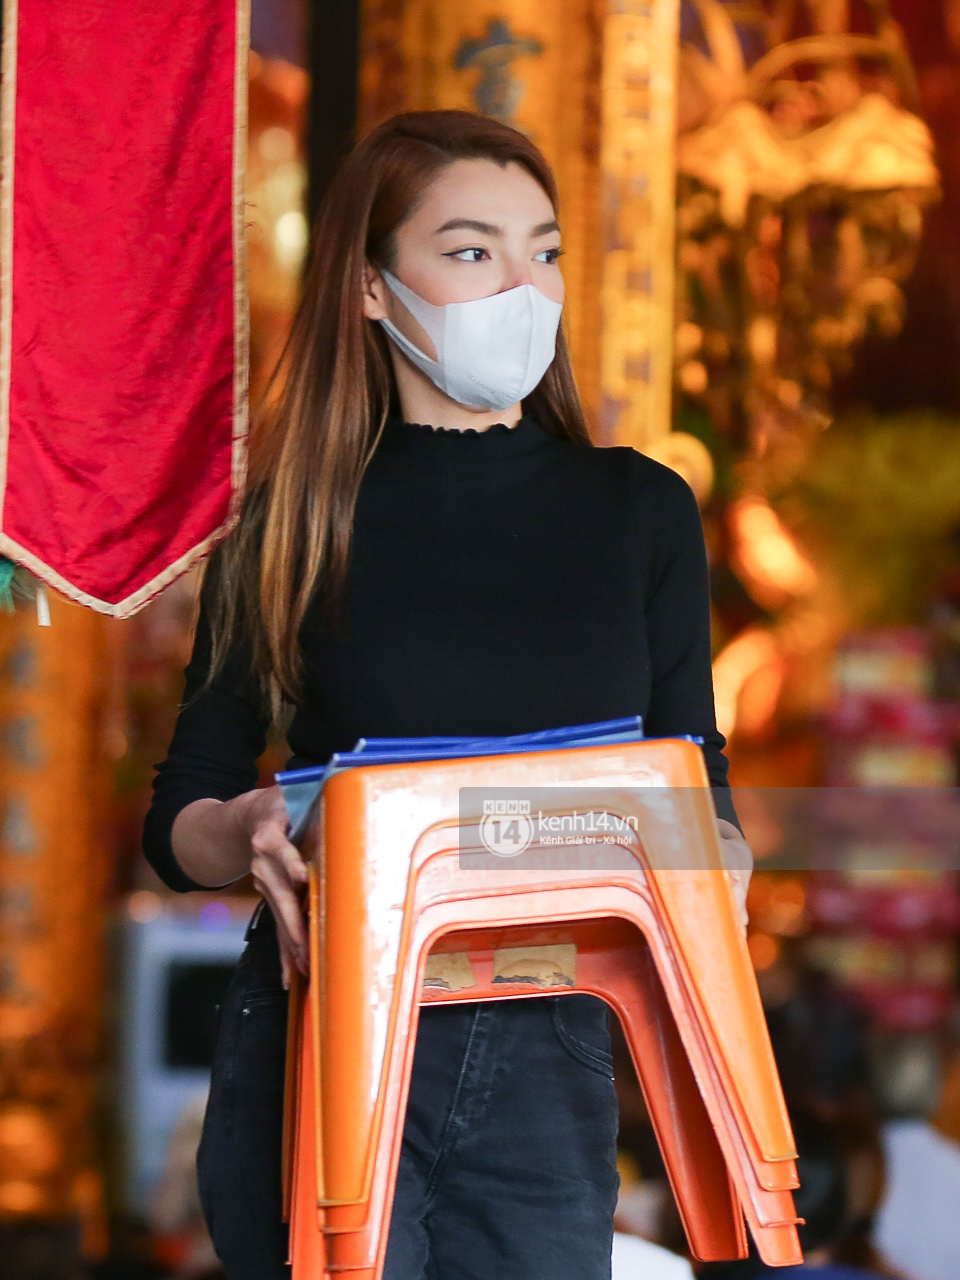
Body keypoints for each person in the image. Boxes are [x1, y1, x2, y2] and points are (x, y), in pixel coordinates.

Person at [142, 108, 752, 1280]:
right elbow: (184, 818)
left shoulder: (641, 511)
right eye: (472, 252)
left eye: (545, 250)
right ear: (372, 290)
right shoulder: (289, 525)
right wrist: (249, 827)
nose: (522, 286)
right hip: (323, 1031)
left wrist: (713, 855)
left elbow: (699, 779)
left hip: (546, 1033)